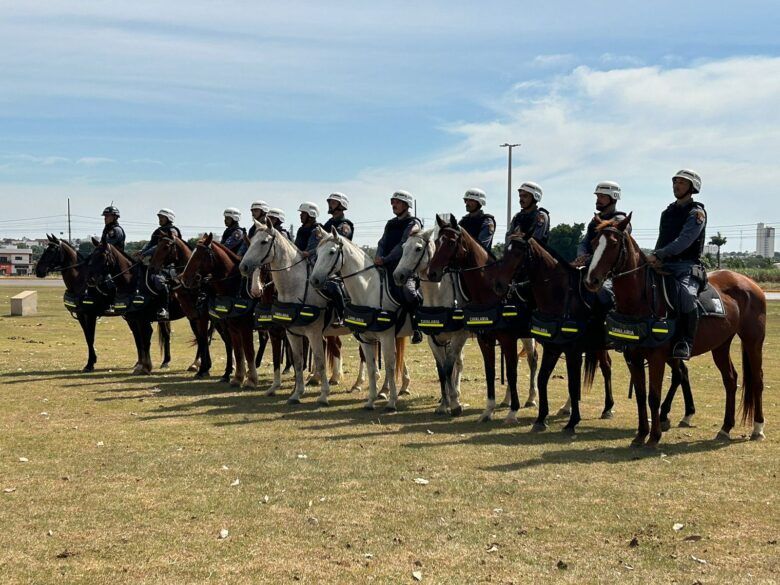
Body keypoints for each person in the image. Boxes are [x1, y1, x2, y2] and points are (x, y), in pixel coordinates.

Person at [647, 169, 707, 360]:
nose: (676, 185)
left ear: (692, 187)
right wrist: (654, 259)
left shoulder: (696, 213)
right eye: (675, 181)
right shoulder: (667, 212)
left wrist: (660, 254)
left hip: (686, 267)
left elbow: (685, 241)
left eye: (682, 182)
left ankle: (685, 342)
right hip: (663, 265)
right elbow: (662, 239)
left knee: (687, 296)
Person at [572, 181, 629, 316]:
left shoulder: (620, 221)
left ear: (613, 198)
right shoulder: (595, 220)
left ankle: (609, 316)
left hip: (609, 271)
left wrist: (588, 260)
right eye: (597, 197)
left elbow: (609, 250)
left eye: (602, 197)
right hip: (590, 265)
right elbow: (584, 242)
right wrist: (581, 256)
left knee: (603, 291)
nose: (598, 200)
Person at [375, 190, 423, 342]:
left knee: (409, 292)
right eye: (392, 202)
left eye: (396, 202)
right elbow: (382, 242)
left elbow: (403, 244)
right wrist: (378, 256)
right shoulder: (391, 223)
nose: (393, 205)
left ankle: (417, 327)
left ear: (406, 205)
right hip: (386, 265)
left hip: (405, 268)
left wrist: (386, 258)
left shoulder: (413, 223)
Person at [137, 208, 182, 320]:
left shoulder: (172, 231)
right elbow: (150, 243)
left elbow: (161, 246)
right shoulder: (158, 230)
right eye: (159, 217)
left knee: (160, 281)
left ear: (169, 218)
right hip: (157, 263)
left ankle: (164, 308)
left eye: (162, 217)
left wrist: (146, 253)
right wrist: (142, 252)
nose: (160, 219)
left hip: (169, 265)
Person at [319, 193, 354, 321]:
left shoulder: (345, 225)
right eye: (330, 203)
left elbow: (340, 242)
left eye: (333, 203)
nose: (330, 205)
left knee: (333, 286)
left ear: (341, 205)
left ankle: (342, 315)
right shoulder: (328, 224)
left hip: (339, 265)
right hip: (326, 263)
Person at [458, 188, 496, 253]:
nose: (467, 203)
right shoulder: (463, 221)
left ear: (479, 202)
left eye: (471, 200)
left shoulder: (487, 221)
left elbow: (481, 247)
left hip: (480, 261)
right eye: (466, 200)